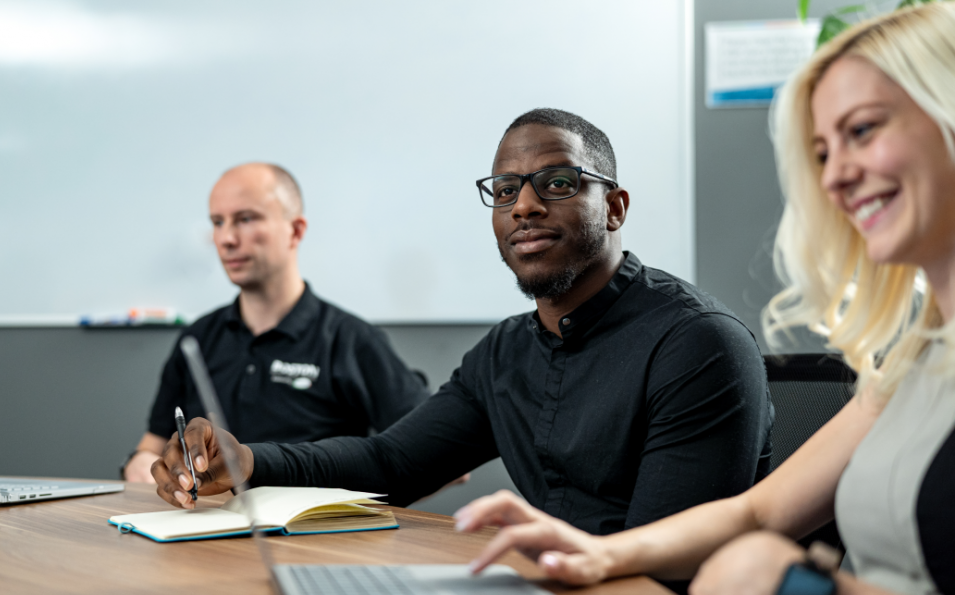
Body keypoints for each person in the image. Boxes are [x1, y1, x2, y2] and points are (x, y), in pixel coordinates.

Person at [453, 5, 955, 595]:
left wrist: (804, 591)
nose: (836, 176)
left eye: (863, 130)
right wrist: (596, 553)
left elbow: (778, 560)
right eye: (823, 151)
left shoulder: (695, 337)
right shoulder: (915, 358)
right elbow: (757, 514)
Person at [153, 109, 774, 545]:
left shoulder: (698, 345)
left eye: (557, 182)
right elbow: (390, 462)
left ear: (613, 207)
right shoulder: (504, 354)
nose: (524, 205)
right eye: (505, 191)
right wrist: (248, 460)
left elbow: (663, 564)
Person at [122, 162, 431, 482]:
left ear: (295, 231)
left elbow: (434, 453)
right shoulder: (197, 339)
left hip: (314, 530)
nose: (226, 238)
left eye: (245, 219)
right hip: (202, 526)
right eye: (217, 222)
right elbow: (152, 447)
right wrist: (143, 465)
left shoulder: (351, 341)